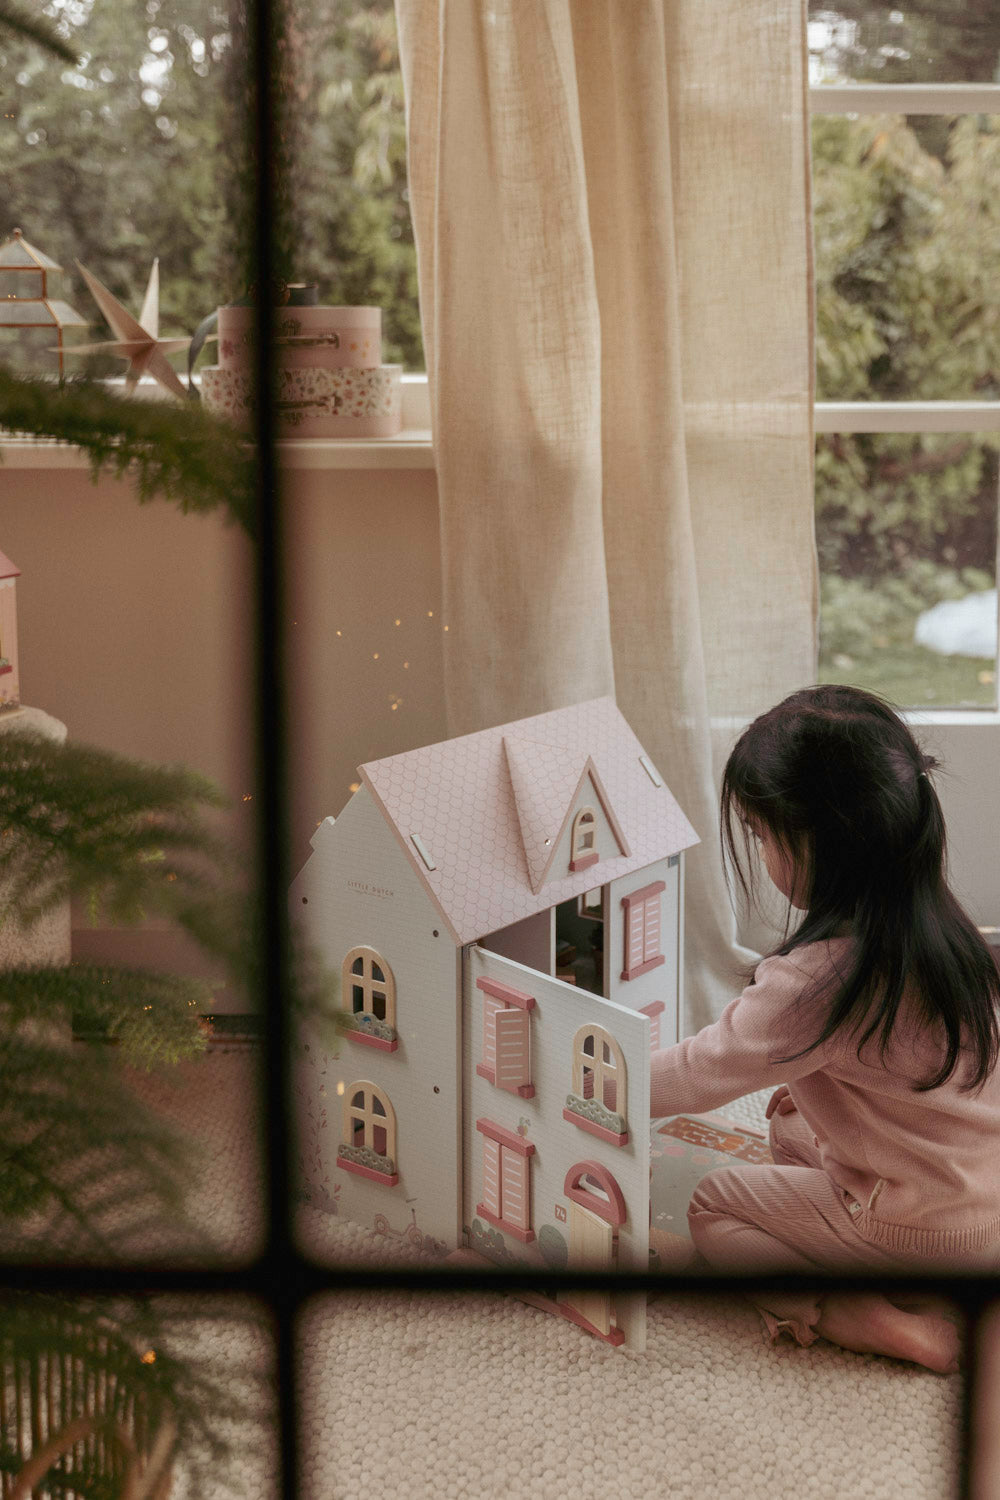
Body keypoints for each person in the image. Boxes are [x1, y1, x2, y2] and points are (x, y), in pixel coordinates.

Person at [650, 684, 1000, 1373]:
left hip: (924, 1225)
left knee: (715, 1206)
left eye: (759, 835)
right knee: (786, 1122)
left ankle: (864, 1315)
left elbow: (696, 1074)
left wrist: (597, 1080)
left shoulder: (814, 984)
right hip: (984, 1194)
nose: (760, 853)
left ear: (812, 844)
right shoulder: (950, 931)